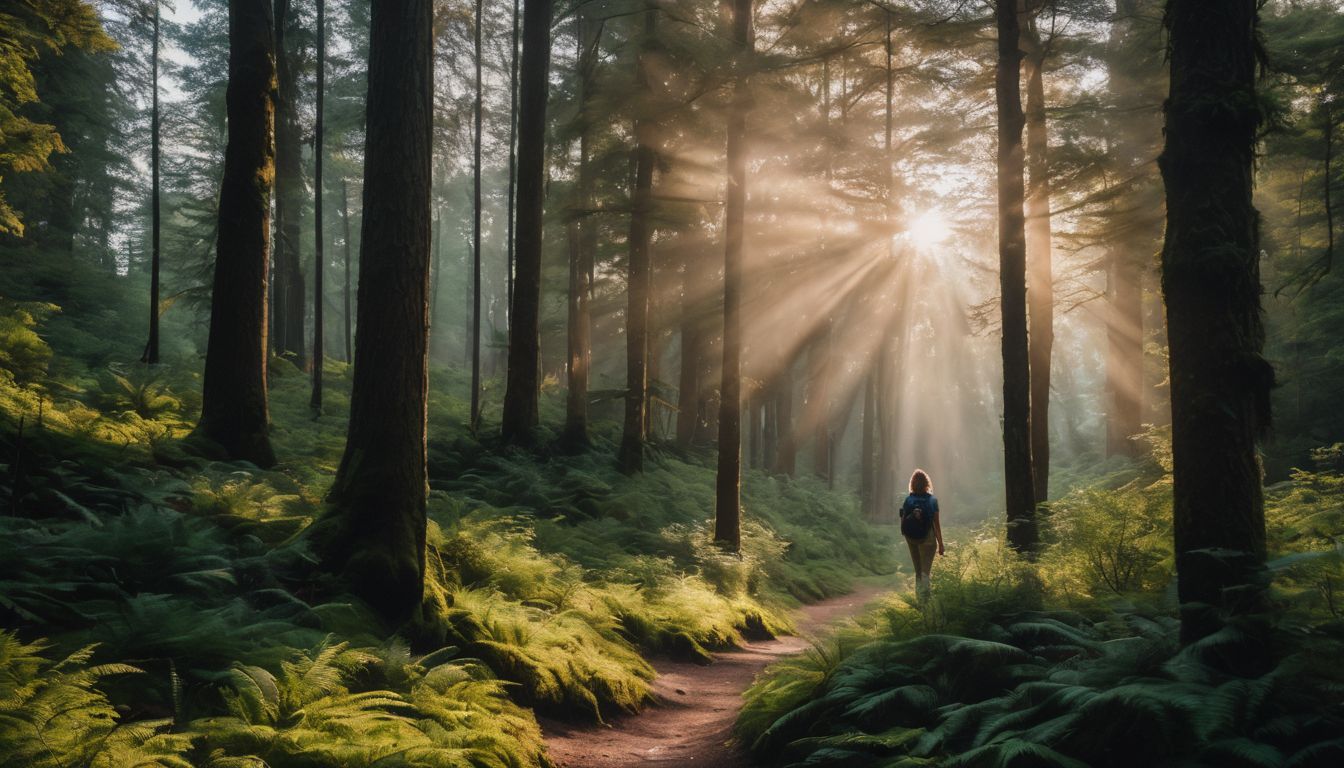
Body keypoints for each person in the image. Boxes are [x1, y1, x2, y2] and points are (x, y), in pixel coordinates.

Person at [899, 468, 944, 597]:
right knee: (925, 572)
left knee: (918, 571)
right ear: (926, 483)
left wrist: (906, 533)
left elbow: (903, 520)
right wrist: (940, 544)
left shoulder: (908, 500)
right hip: (927, 539)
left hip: (911, 538)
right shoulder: (932, 501)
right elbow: (936, 524)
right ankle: (926, 601)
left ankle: (919, 600)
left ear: (912, 484)